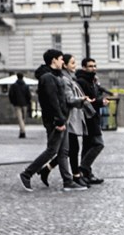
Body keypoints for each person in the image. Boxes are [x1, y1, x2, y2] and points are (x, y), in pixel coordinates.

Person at [18, 49, 87, 192]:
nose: (63, 61)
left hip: (63, 118)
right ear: (54, 60)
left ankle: (68, 182)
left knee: (63, 152)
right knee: (52, 150)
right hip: (56, 121)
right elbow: (52, 102)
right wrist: (59, 121)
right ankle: (27, 173)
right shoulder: (48, 78)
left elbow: (61, 100)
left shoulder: (57, 75)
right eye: (61, 59)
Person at [39, 54, 93, 188]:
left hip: (71, 117)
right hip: (68, 118)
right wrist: (82, 100)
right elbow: (67, 99)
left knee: (67, 150)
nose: (75, 66)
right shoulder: (63, 79)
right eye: (72, 63)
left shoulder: (70, 78)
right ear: (64, 65)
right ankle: (73, 177)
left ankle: (48, 170)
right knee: (67, 149)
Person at [76, 57, 109, 185]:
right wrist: (101, 102)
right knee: (98, 144)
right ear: (84, 67)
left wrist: (100, 99)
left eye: (94, 66)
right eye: (90, 66)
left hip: (93, 116)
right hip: (88, 117)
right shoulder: (82, 81)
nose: (93, 68)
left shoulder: (92, 80)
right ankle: (83, 168)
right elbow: (88, 100)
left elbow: (96, 96)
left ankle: (86, 174)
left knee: (88, 145)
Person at [8, 73, 33, 139]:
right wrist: (27, 102)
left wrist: (13, 102)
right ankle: (22, 132)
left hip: (17, 104)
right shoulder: (26, 86)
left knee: (20, 119)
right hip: (25, 104)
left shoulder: (13, 86)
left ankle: (22, 132)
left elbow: (11, 95)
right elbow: (29, 96)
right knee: (23, 118)